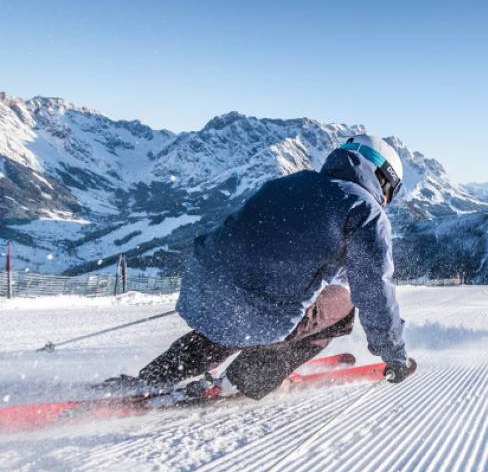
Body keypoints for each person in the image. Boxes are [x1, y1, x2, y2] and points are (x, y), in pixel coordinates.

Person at [131, 134, 416, 399]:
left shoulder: (288, 183)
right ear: (383, 180)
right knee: (341, 306)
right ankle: (244, 379)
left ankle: (156, 376)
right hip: (256, 314)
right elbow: (373, 289)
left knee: (235, 315)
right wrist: (394, 354)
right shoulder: (365, 210)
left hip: (202, 292)